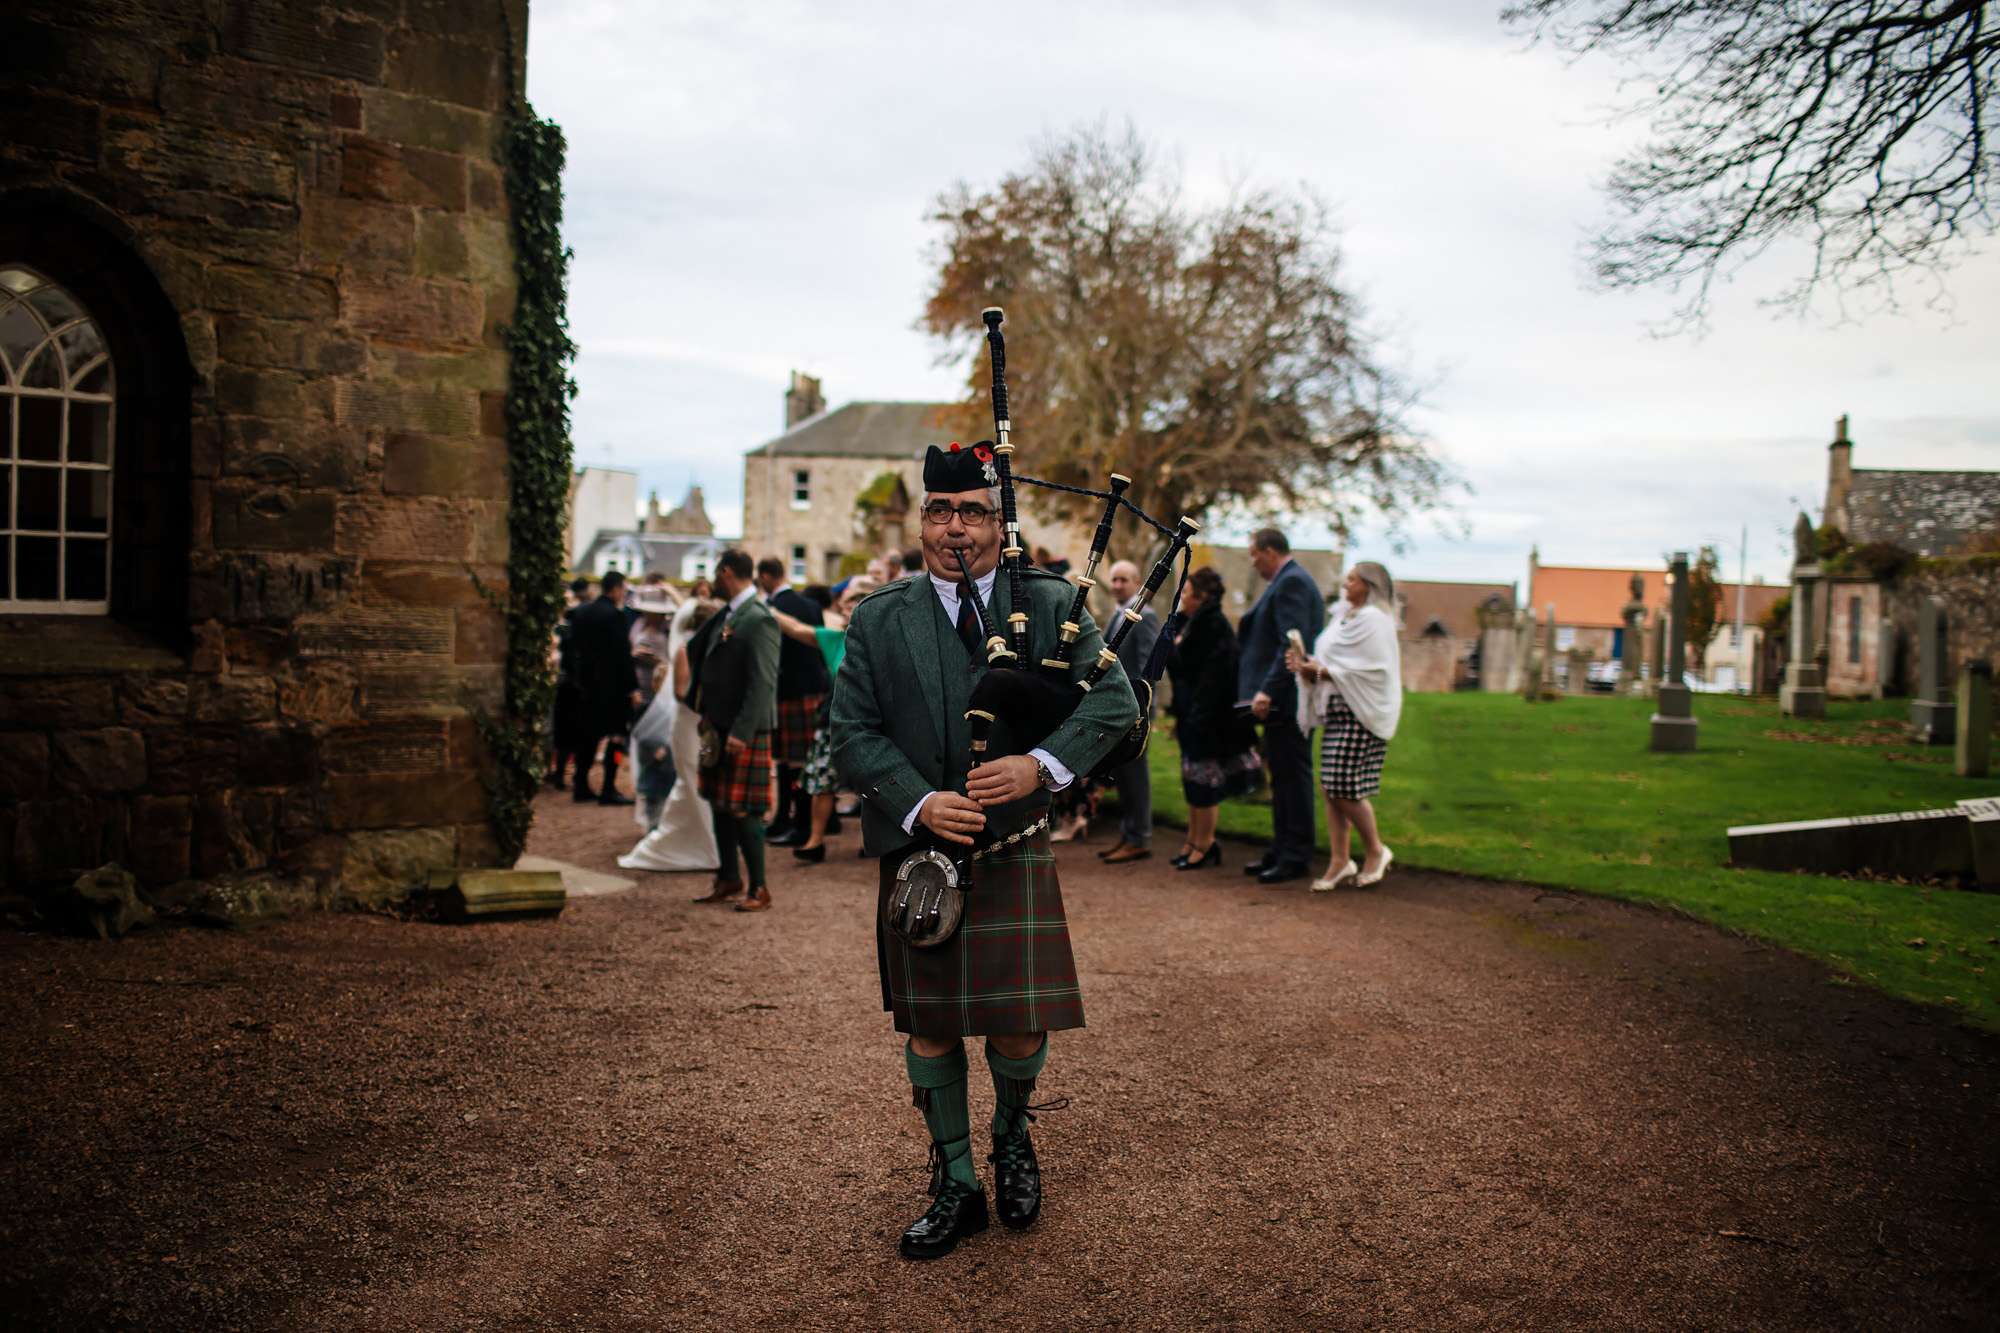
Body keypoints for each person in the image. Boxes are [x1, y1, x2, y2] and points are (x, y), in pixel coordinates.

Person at [830, 441, 1138, 1261]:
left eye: (972, 510)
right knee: (930, 1024)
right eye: (940, 510)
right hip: (922, 851)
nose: (955, 527)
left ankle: (1010, 1139)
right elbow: (850, 735)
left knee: (1015, 1019)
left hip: (1015, 846)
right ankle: (957, 1180)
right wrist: (920, 800)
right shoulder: (878, 617)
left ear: (1000, 524)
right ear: (921, 519)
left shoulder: (1051, 603)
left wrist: (1038, 765)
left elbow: (1116, 704)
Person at [1288, 561, 1403, 890]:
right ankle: (1340, 860)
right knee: (1330, 787)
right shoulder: (1341, 617)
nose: (1345, 583)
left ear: (1369, 585)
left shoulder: (1376, 621)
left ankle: (1376, 850)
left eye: (1352, 579)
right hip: (1336, 710)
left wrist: (1320, 671)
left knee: (1343, 786)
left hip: (1359, 712)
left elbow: (1372, 669)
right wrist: (1305, 663)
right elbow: (1333, 661)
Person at [689, 550, 782, 912]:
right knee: (719, 804)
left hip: (745, 729)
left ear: (726, 571)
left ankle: (759, 888)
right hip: (718, 724)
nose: (713, 579)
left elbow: (763, 682)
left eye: (715, 572)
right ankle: (729, 877)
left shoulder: (759, 618)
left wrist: (742, 731)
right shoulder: (729, 613)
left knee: (745, 809)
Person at [1236, 528, 1324, 884]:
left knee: (1292, 775)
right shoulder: (1286, 581)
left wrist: (1269, 690)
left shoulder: (1292, 583)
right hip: (1279, 701)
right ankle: (1281, 847)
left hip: (1287, 700)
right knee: (1281, 775)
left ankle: (1296, 853)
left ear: (1270, 551)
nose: (1253, 562)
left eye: (1254, 554)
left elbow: (1292, 644)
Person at [770, 576, 878, 861]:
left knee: (872, 785)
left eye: (848, 605)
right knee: (821, 782)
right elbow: (794, 628)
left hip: (873, 724)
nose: (842, 610)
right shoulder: (836, 639)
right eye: (842, 606)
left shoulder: (884, 641)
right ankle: (814, 842)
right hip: (833, 721)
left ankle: (872, 841)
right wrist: (764, 607)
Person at [1165, 567, 1263, 869]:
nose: (1182, 597)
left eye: (1187, 592)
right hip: (1189, 714)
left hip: (1207, 720)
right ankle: (1193, 840)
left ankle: (1205, 844)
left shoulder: (1215, 626)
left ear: (1202, 596)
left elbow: (1215, 679)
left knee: (1204, 783)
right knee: (1191, 782)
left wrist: (1197, 717)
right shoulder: (1188, 623)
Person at [619, 594, 724, 872]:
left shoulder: (714, 649)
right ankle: (708, 847)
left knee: (698, 785)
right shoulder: (685, 650)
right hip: (688, 726)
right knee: (691, 781)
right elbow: (680, 693)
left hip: (704, 726)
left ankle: (705, 841)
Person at [755, 557, 831, 848]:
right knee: (800, 761)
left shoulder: (773, 608)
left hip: (789, 691)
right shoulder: (810, 604)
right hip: (813, 690)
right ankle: (788, 821)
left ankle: (795, 824)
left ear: (765, 576)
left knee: (791, 761)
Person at [1096, 560, 1161, 864]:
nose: (1118, 585)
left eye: (1124, 580)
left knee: (1135, 775)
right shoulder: (1117, 613)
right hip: (1117, 708)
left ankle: (1140, 837)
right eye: (1114, 580)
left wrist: (1143, 709)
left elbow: (1150, 665)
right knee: (1123, 774)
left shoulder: (1145, 616)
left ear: (1137, 582)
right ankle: (1129, 834)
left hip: (1136, 708)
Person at [567, 569, 643, 805]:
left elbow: (571, 649)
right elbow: (622, 655)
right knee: (616, 737)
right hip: (613, 688)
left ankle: (580, 784)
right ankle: (609, 787)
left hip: (586, 685)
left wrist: (576, 677)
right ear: (617, 589)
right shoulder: (615, 616)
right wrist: (632, 687)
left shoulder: (581, 612)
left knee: (587, 737)